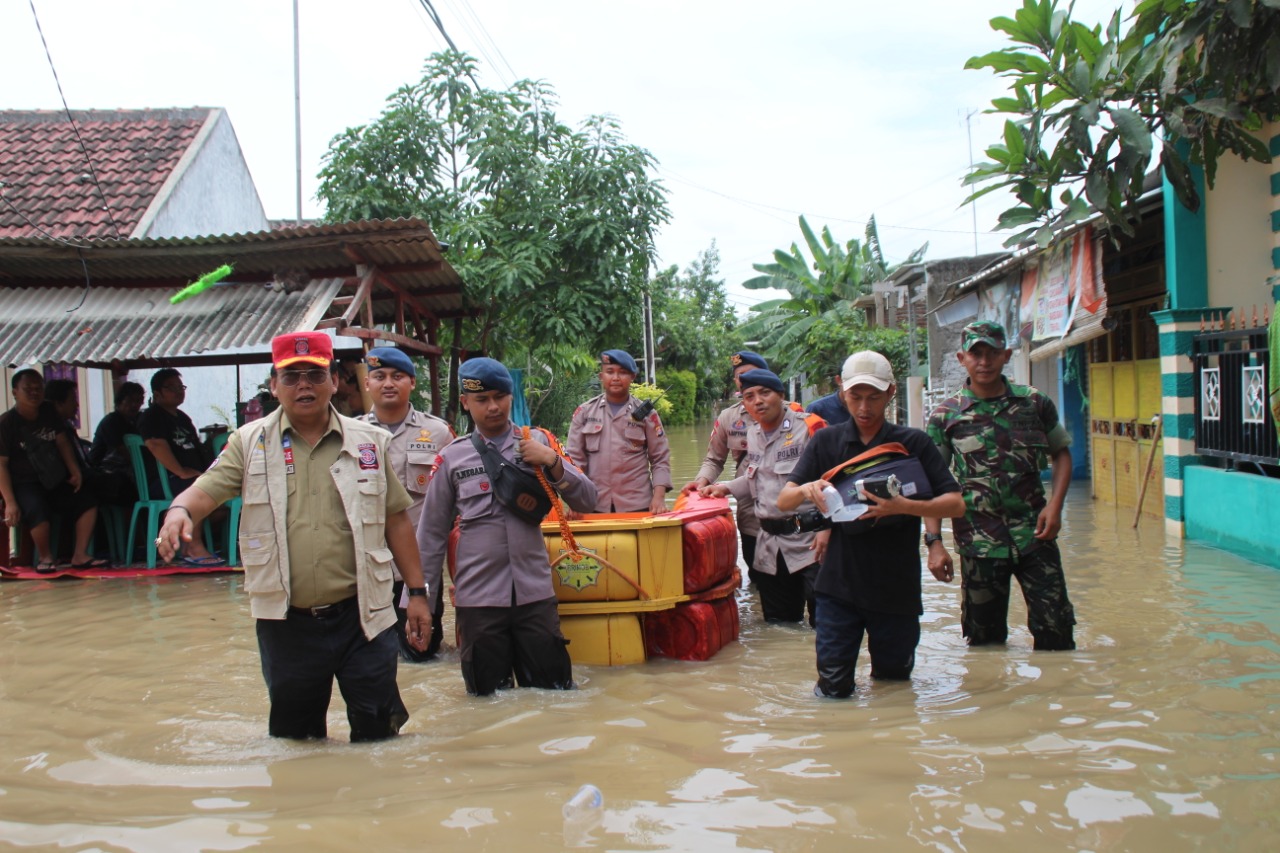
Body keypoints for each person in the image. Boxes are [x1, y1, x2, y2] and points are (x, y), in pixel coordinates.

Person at [156, 331, 432, 742]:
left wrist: (418, 594)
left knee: (380, 735)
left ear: (335, 381)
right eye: (292, 376)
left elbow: (396, 520)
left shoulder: (369, 443)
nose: (304, 385)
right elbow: (205, 490)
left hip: (364, 616)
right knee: (295, 741)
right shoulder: (248, 445)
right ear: (274, 386)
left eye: (315, 375)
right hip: (287, 621)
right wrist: (178, 512)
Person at [779, 351, 964, 698]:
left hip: (896, 588)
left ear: (891, 392)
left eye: (874, 397)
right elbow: (784, 500)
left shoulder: (913, 444)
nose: (864, 407)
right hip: (838, 587)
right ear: (842, 391)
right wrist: (807, 488)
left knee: (894, 687)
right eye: (856, 396)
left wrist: (903, 506)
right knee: (833, 688)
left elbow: (956, 504)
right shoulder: (826, 442)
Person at [416, 357, 597, 696]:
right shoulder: (452, 458)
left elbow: (588, 499)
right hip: (478, 603)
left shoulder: (540, 441)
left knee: (554, 695)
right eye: (482, 400)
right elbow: (430, 534)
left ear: (512, 397)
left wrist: (553, 463)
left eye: (500, 397)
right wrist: (420, 600)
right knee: (487, 703)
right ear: (465, 402)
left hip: (535, 597)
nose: (493, 407)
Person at [924, 320, 1076, 651]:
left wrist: (1056, 506)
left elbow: (1061, 455)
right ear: (961, 358)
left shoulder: (1033, 404)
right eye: (975, 354)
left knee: (1056, 632)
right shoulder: (946, 417)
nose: (984, 361)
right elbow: (932, 483)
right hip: (979, 542)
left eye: (992, 353)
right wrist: (934, 543)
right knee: (985, 642)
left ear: (1006, 355)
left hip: (1036, 535)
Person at [700, 368, 827, 624]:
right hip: (770, 545)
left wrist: (829, 529)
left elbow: (835, 480)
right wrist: (726, 487)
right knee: (781, 626)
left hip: (811, 544)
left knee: (826, 625)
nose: (757, 401)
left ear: (780, 395)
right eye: (749, 396)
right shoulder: (753, 434)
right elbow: (758, 477)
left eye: (764, 393)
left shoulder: (810, 428)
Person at [358, 346, 455, 662]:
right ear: (367, 383)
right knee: (370, 659)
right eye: (379, 376)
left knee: (422, 657)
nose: (388, 383)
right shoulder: (351, 435)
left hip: (421, 569)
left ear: (412, 383)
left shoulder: (438, 433)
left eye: (397, 376)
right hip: (367, 569)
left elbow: (458, 496)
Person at [0, 369, 106, 571]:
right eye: (28, 389)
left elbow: (62, 442)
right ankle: (46, 558)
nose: (34, 393)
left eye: (38, 388)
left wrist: (75, 470)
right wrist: (10, 502)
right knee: (37, 509)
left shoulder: (48, 411)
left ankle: (80, 555)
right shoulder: (6, 423)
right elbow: (1, 464)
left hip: (54, 478)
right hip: (24, 483)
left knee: (87, 501)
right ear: (15, 392)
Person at [681, 351, 768, 576]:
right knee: (757, 573)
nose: (746, 380)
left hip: (787, 507)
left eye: (751, 374)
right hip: (750, 509)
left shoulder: (793, 415)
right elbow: (714, 459)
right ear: (735, 382)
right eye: (740, 376)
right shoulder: (729, 418)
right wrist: (701, 482)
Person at [566, 349, 671, 514]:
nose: (615, 378)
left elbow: (660, 459)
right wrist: (575, 501)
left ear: (633, 377)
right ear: (601, 377)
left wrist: (659, 498)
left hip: (638, 506)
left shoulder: (647, 415)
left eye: (622, 373)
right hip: (594, 505)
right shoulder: (584, 413)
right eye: (610, 372)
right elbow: (574, 461)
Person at [138, 368, 221, 565]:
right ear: (157, 393)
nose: (178, 391)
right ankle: (193, 546)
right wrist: (181, 471)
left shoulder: (182, 418)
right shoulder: (151, 417)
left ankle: (188, 544)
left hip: (189, 477)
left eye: (180, 386)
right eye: (172, 387)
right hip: (164, 481)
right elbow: (155, 444)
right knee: (198, 489)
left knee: (222, 494)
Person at [89, 381, 146, 503]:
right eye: (130, 401)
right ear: (120, 401)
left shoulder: (136, 421)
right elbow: (124, 452)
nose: (135, 405)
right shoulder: (111, 421)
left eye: (139, 401)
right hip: (103, 471)